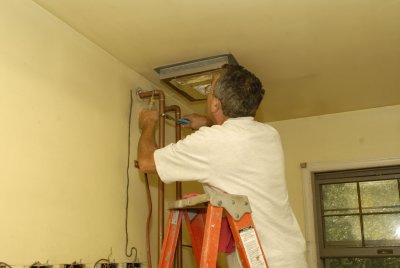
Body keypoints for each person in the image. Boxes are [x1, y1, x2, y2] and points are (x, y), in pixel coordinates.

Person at [138, 64, 307, 268]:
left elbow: (146, 162)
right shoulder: (270, 134)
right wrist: (209, 123)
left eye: (209, 89)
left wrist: (148, 124)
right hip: (288, 255)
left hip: (261, 261)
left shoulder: (212, 141)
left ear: (216, 105)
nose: (207, 95)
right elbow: (231, 145)